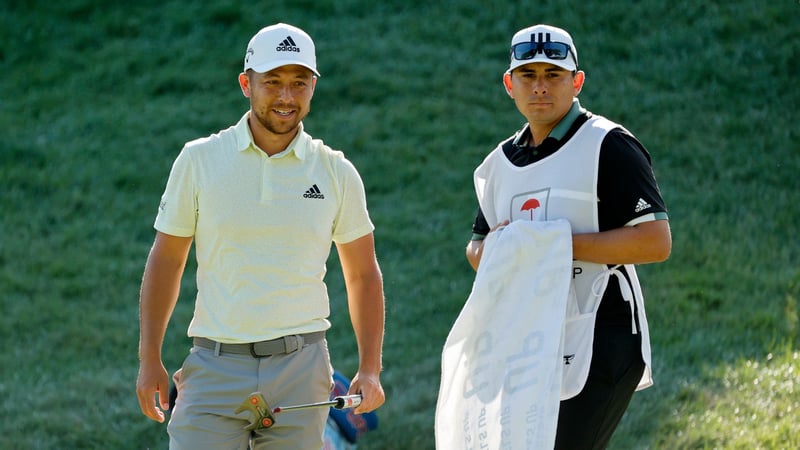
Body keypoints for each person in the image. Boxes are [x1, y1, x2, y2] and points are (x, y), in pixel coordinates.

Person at [135, 23, 385, 450]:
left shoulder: (337, 172)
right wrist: (148, 360)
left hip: (302, 369)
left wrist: (370, 367)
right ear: (245, 84)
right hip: (214, 364)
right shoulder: (198, 161)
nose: (286, 97)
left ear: (313, 87)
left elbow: (362, 274)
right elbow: (167, 261)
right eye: (272, 82)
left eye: (299, 83)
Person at [465, 24, 671, 449]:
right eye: (529, 75)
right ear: (510, 84)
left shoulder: (609, 145)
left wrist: (550, 246)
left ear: (576, 81)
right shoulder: (498, 164)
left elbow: (655, 241)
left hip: (604, 334)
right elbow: (477, 247)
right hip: (529, 341)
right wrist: (499, 248)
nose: (540, 87)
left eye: (553, 75)